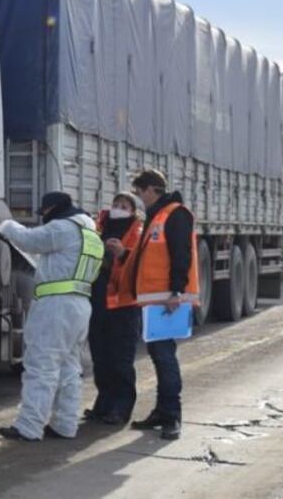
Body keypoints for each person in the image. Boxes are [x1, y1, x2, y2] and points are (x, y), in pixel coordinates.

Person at [0, 192, 104, 442]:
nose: (43, 217)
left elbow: (29, 240)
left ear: (52, 209)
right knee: (69, 368)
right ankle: (65, 424)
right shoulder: (89, 232)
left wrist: (6, 224)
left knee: (40, 366)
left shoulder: (62, 228)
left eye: (44, 212)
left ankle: (29, 427)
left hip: (56, 306)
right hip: (79, 306)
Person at [110, 169, 199, 441]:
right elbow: (149, 256)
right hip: (155, 300)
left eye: (139, 192)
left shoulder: (175, 214)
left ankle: (172, 416)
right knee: (159, 357)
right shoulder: (157, 215)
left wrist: (175, 291)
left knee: (164, 357)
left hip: (167, 300)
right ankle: (162, 411)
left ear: (151, 190)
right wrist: (124, 254)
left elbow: (181, 254)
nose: (138, 198)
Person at [85, 192, 143, 425]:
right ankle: (103, 404)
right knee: (101, 357)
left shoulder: (138, 232)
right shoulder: (99, 228)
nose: (119, 209)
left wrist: (122, 253)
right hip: (98, 303)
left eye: (124, 206)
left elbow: (143, 264)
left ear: (133, 211)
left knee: (121, 359)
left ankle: (121, 408)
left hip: (124, 305)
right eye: (116, 205)